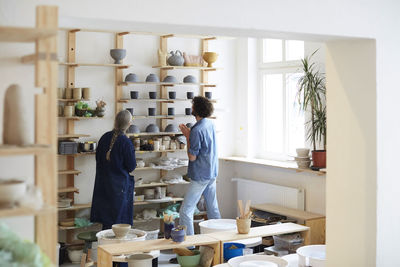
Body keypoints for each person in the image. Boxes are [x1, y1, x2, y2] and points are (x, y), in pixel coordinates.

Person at [179, 96, 221, 236]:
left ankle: (189, 248)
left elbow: (192, 157)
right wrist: (191, 135)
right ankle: (220, 241)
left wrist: (187, 137)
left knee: (186, 211)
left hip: (201, 175)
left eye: (193, 106)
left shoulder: (196, 130)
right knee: (213, 209)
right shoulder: (210, 124)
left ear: (196, 109)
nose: (191, 108)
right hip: (212, 171)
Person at [90, 110, 136, 231]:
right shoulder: (126, 142)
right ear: (129, 124)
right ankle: (117, 249)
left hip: (103, 185)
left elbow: (98, 159)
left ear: (115, 121)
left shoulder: (104, 137)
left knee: (107, 225)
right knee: (119, 225)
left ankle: (105, 248)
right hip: (119, 188)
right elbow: (131, 167)